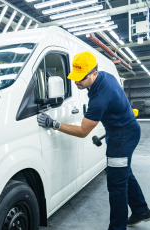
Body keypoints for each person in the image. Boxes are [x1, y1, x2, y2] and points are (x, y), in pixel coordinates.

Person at [37, 51, 150, 230]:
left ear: (94, 74)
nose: (76, 82)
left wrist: (54, 124)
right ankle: (141, 210)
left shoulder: (100, 98)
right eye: (74, 77)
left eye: (80, 78)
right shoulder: (104, 77)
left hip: (122, 137)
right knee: (124, 174)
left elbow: (83, 131)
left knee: (116, 185)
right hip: (121, 131)